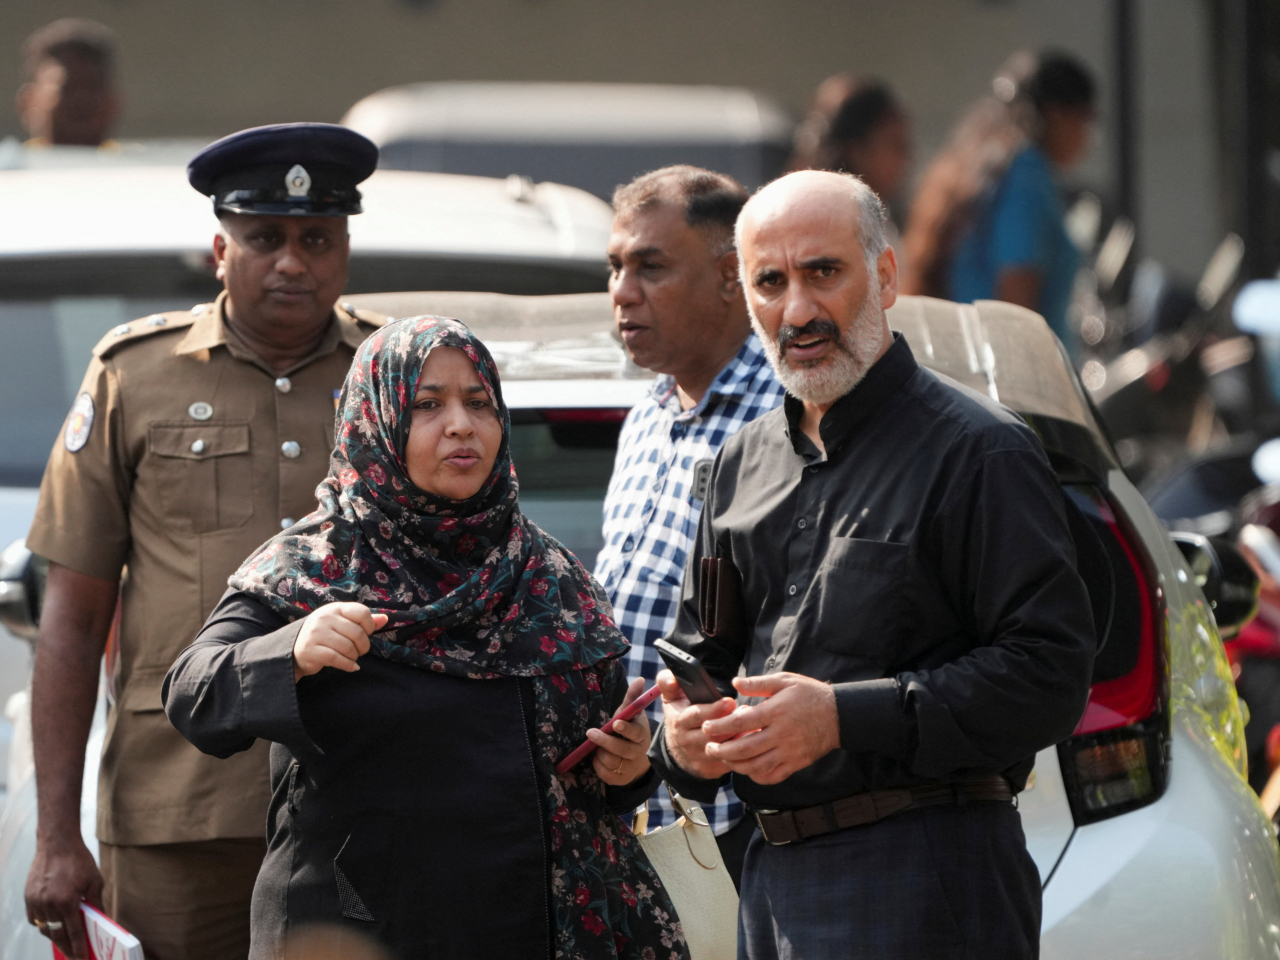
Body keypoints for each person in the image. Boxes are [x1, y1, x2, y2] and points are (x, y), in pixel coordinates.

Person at [649, 169, 1096, 958]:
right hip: (770, 887)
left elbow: (1048, 677)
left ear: (885, 274)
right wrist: (681, 745)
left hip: (931, 876)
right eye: (770, 282)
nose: (798, 310)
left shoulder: (979, 452)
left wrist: (841, 716)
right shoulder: (735, 468)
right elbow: (702, 659)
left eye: (823, 272)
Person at [163, 317, 687, 960]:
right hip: (359, 934)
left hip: (535, 932)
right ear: (375, 422)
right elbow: (192, 692)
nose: (461, 425)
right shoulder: (315, 566)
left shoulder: (551, 579)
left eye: (479, 403)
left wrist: (631, 764)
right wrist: (290, 651)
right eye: (427, 405)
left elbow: (603, 767)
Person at [23, 123, 388, 960]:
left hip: (360, 797)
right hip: (174, 810)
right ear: (219, 249)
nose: (293, 261)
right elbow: (72, 624)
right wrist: (54, 835)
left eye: (316, 239)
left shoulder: (391, 375)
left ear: (344, 250)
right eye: (265, 238)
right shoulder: (133, 374)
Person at [595, 165, 784, 886]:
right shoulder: (647, 414)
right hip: (633, 816)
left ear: (731, 275)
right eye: (614, 267)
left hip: (741, 824)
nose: (622, 292)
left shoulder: (788, 414)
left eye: (650, 267)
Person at [901, 50, 1096, 346]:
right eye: (1087, 118)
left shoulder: (984, 164)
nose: (1089, 137)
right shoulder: (1027, 172)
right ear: (1059, 113)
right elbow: (1016, 291)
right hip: (1009, 379)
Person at [788, 76, 912, 221]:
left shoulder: (888, 217)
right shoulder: (819, 221)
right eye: (895, 144)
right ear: (855, 150)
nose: (906, 157)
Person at [16, 19, 120, 147]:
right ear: (28, 102)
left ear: (113, 102)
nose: (81, 100)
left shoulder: (136, 165)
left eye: (92, 88)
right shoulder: (11, 165)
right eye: (66, 89)